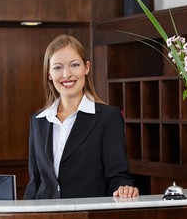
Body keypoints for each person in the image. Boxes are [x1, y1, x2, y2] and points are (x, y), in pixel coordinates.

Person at [23, 34, 139, 199]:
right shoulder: (38, 120)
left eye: (74, 65)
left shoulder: (108, 117)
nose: (66, 74)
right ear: (49, 73)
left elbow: (118, 176)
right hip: (45, 218)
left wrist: (124, 188)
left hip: (87, 217)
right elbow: (35, 182)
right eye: (57, 67)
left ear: (87, 67)